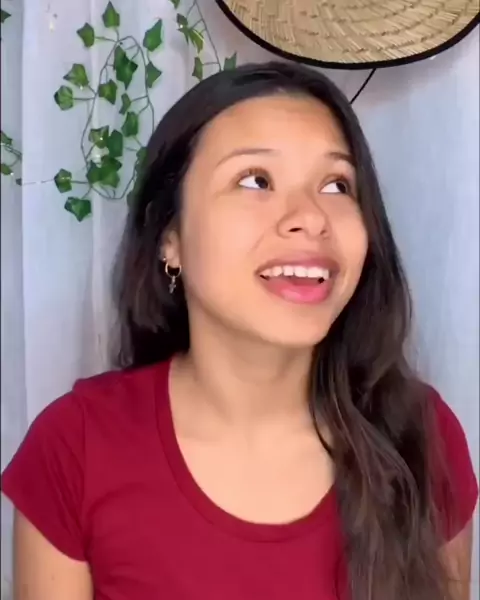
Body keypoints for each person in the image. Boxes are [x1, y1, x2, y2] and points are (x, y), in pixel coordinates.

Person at [1, 61, 478, 600]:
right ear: (170, 238)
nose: (311, 217)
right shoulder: (75, 448)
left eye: (337, 184)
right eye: (256, 180)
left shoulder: (422, 437)